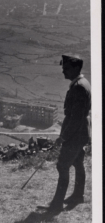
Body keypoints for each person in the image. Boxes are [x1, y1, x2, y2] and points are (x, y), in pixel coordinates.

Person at [38, 54, 91, 213]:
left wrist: (63, 137)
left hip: (75, 134)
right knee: (77, 163)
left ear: (75, 68)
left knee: (62, 165)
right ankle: (78, 196)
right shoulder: (82, 83)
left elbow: (75, 118)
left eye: (66, 68)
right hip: (80, 133)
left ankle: (57, 204)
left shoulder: (79, 87)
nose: (63, 72)